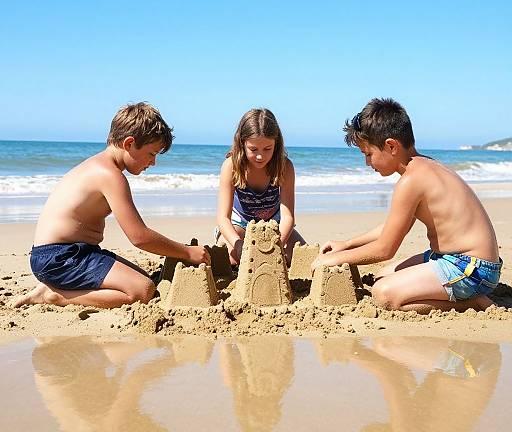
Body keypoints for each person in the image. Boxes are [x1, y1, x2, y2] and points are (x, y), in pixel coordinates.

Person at [11, 102, 210, 309]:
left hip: (74, 253)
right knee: (143, 290)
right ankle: (53, 296)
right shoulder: (110, 176)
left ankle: (63, 290)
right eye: (152, 154)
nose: (153, 163)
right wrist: (187, 252)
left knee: (142, 278)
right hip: (60, 258)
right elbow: (139, 237)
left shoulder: (100, 166)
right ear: (129, 144)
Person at [311, 98, 502, 313]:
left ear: (391, 145)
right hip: (460, 260)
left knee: (384, 294)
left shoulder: (411, 181)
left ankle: (473, 303)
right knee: (383, 275)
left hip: (470, 269)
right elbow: (391, 228)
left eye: (368, 154)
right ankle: (462, 296)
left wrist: (333, 260)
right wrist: (347, 244)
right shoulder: (424, 166)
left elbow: (385, 249)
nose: (367, 163)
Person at [216, 108, 305, 266]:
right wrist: (238, 244)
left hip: (274, 225)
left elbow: (288, 217)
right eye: (253, 149)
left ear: (276, 144)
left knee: (303, 256)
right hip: (240, 225)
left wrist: (276, 246)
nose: (260, 156)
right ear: (242, 143)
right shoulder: (231, 166)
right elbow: (223, 218)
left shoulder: (285, 167)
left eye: (267, 149)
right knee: (229, 258)